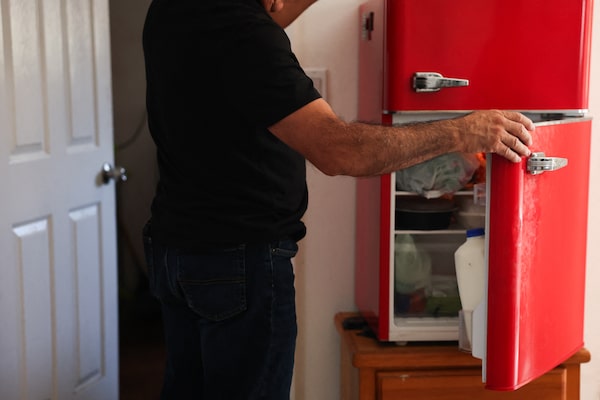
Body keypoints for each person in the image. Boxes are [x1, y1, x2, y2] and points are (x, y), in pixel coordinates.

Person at [141, 0, 534, 399]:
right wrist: (462, 132)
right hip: (238, 261)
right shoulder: (243, 32)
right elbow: (341, 152)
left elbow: (265, 20)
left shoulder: (175, 10)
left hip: (179, 250)